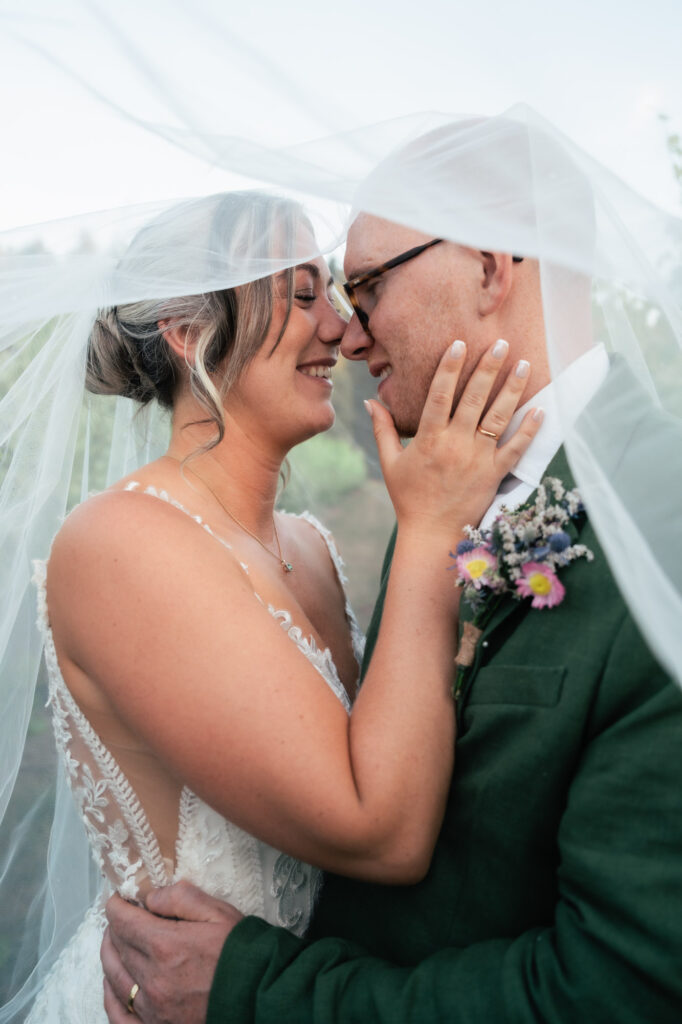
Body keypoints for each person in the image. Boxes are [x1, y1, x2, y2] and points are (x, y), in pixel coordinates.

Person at [100, 124, 682, 1024]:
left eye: (366, 285)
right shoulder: (445, 499)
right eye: (325, 293)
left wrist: (261, 993)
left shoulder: (662, 529)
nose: (350, 330)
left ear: (490, 267)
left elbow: (621, 990)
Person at [13, 188, 541, 1023]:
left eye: (334, 291)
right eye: (301, 295)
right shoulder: (120, 544)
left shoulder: (312, 549)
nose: (341, 326)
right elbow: (381, 829)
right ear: (190, 338)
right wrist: (437, 524)